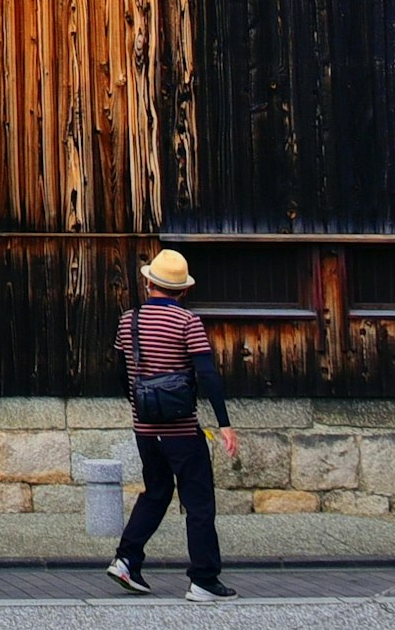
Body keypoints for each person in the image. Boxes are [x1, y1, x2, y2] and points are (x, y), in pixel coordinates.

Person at [106, 248, 237, 601]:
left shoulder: (128, 320)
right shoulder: (187, 322)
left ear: (149, 283)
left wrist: (137, 408)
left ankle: (126, 559)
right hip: (181, 428)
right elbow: (207, 373)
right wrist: (224, 424)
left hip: (145, 428)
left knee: (157, 491)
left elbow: (121, 372)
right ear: (184, 290)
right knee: (198, 502)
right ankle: (204, 579)